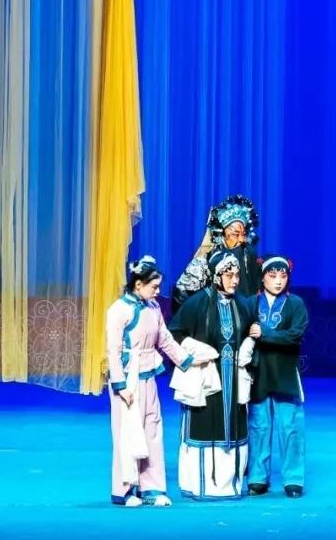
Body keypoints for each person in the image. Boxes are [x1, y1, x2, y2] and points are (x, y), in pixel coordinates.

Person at [168, 250, 258, 500]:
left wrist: (250, 341)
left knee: (234, 424)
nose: (235, 280)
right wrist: (195, 350)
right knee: (204, 424)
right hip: (206, 377)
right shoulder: (197, 303)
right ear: (216, 276)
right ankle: (200, 485)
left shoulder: (243, 304)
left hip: (234, 379)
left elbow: (252, 331)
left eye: (237, 275)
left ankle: (230, 485)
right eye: (229, 275)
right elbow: (174, 333)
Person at [105, 255, 194, 506]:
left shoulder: (153, 307)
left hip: (148, 375)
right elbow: (113, 350)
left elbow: (164, 339)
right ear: (138, 285)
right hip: (128, 379)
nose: (157, 291)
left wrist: (187, 361)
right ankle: (125, 489)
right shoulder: (118, 310)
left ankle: (152, 487)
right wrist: (120, 385)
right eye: (154, 286)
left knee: (152, 429)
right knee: (127, 433)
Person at [247, 255, 309, 498]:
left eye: (283, 276)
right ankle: (257, 477)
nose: (278, 281)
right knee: (258, 426)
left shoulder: (296, 304)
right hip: (259, 370)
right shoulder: (251, 303)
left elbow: (295, 335)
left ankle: (293, 479)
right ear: (262, 277)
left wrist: (265, 333)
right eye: (272, 276)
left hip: (285, 370)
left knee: (290, 426)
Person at [172, 195, 262, 314]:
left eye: (243, 234)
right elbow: (182, 296)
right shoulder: (207, 258)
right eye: (235, 234)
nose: (241, 239)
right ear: (222, 233)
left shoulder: (248, 253)